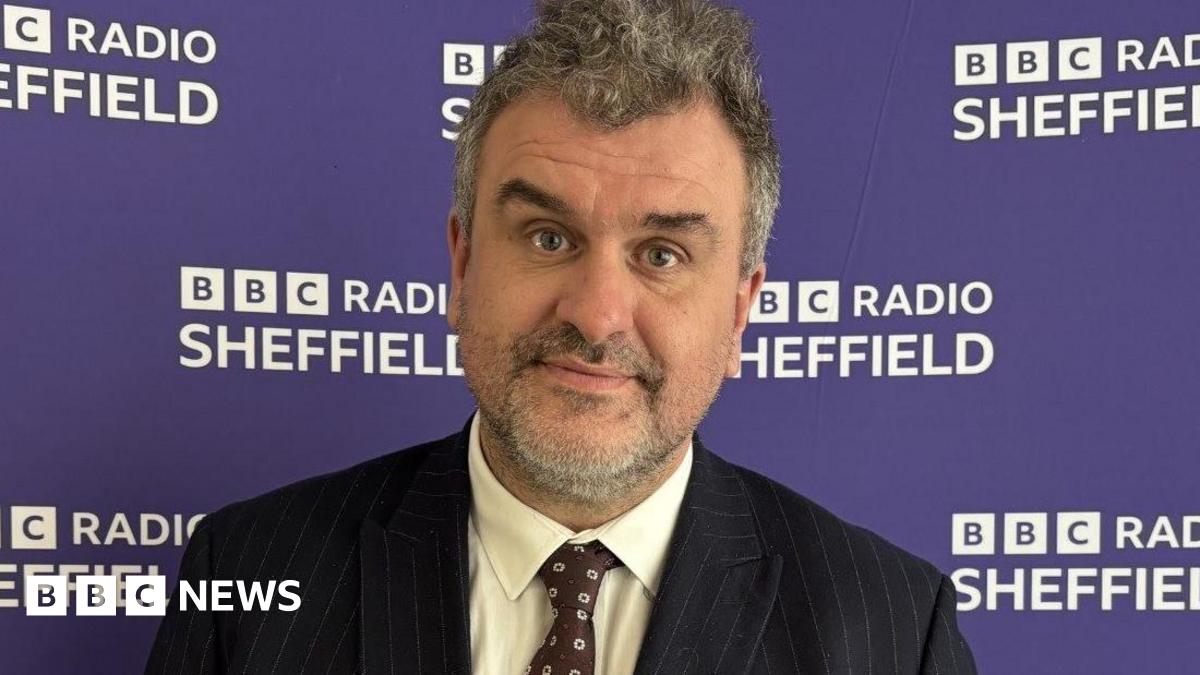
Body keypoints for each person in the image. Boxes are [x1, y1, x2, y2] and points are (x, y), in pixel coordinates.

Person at [145, 0, 977, 672]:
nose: (596, 312)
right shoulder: (246, 577)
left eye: (662, 253)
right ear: (463, 261)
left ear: (738, 309)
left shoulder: (896, 633)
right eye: (549, 237)